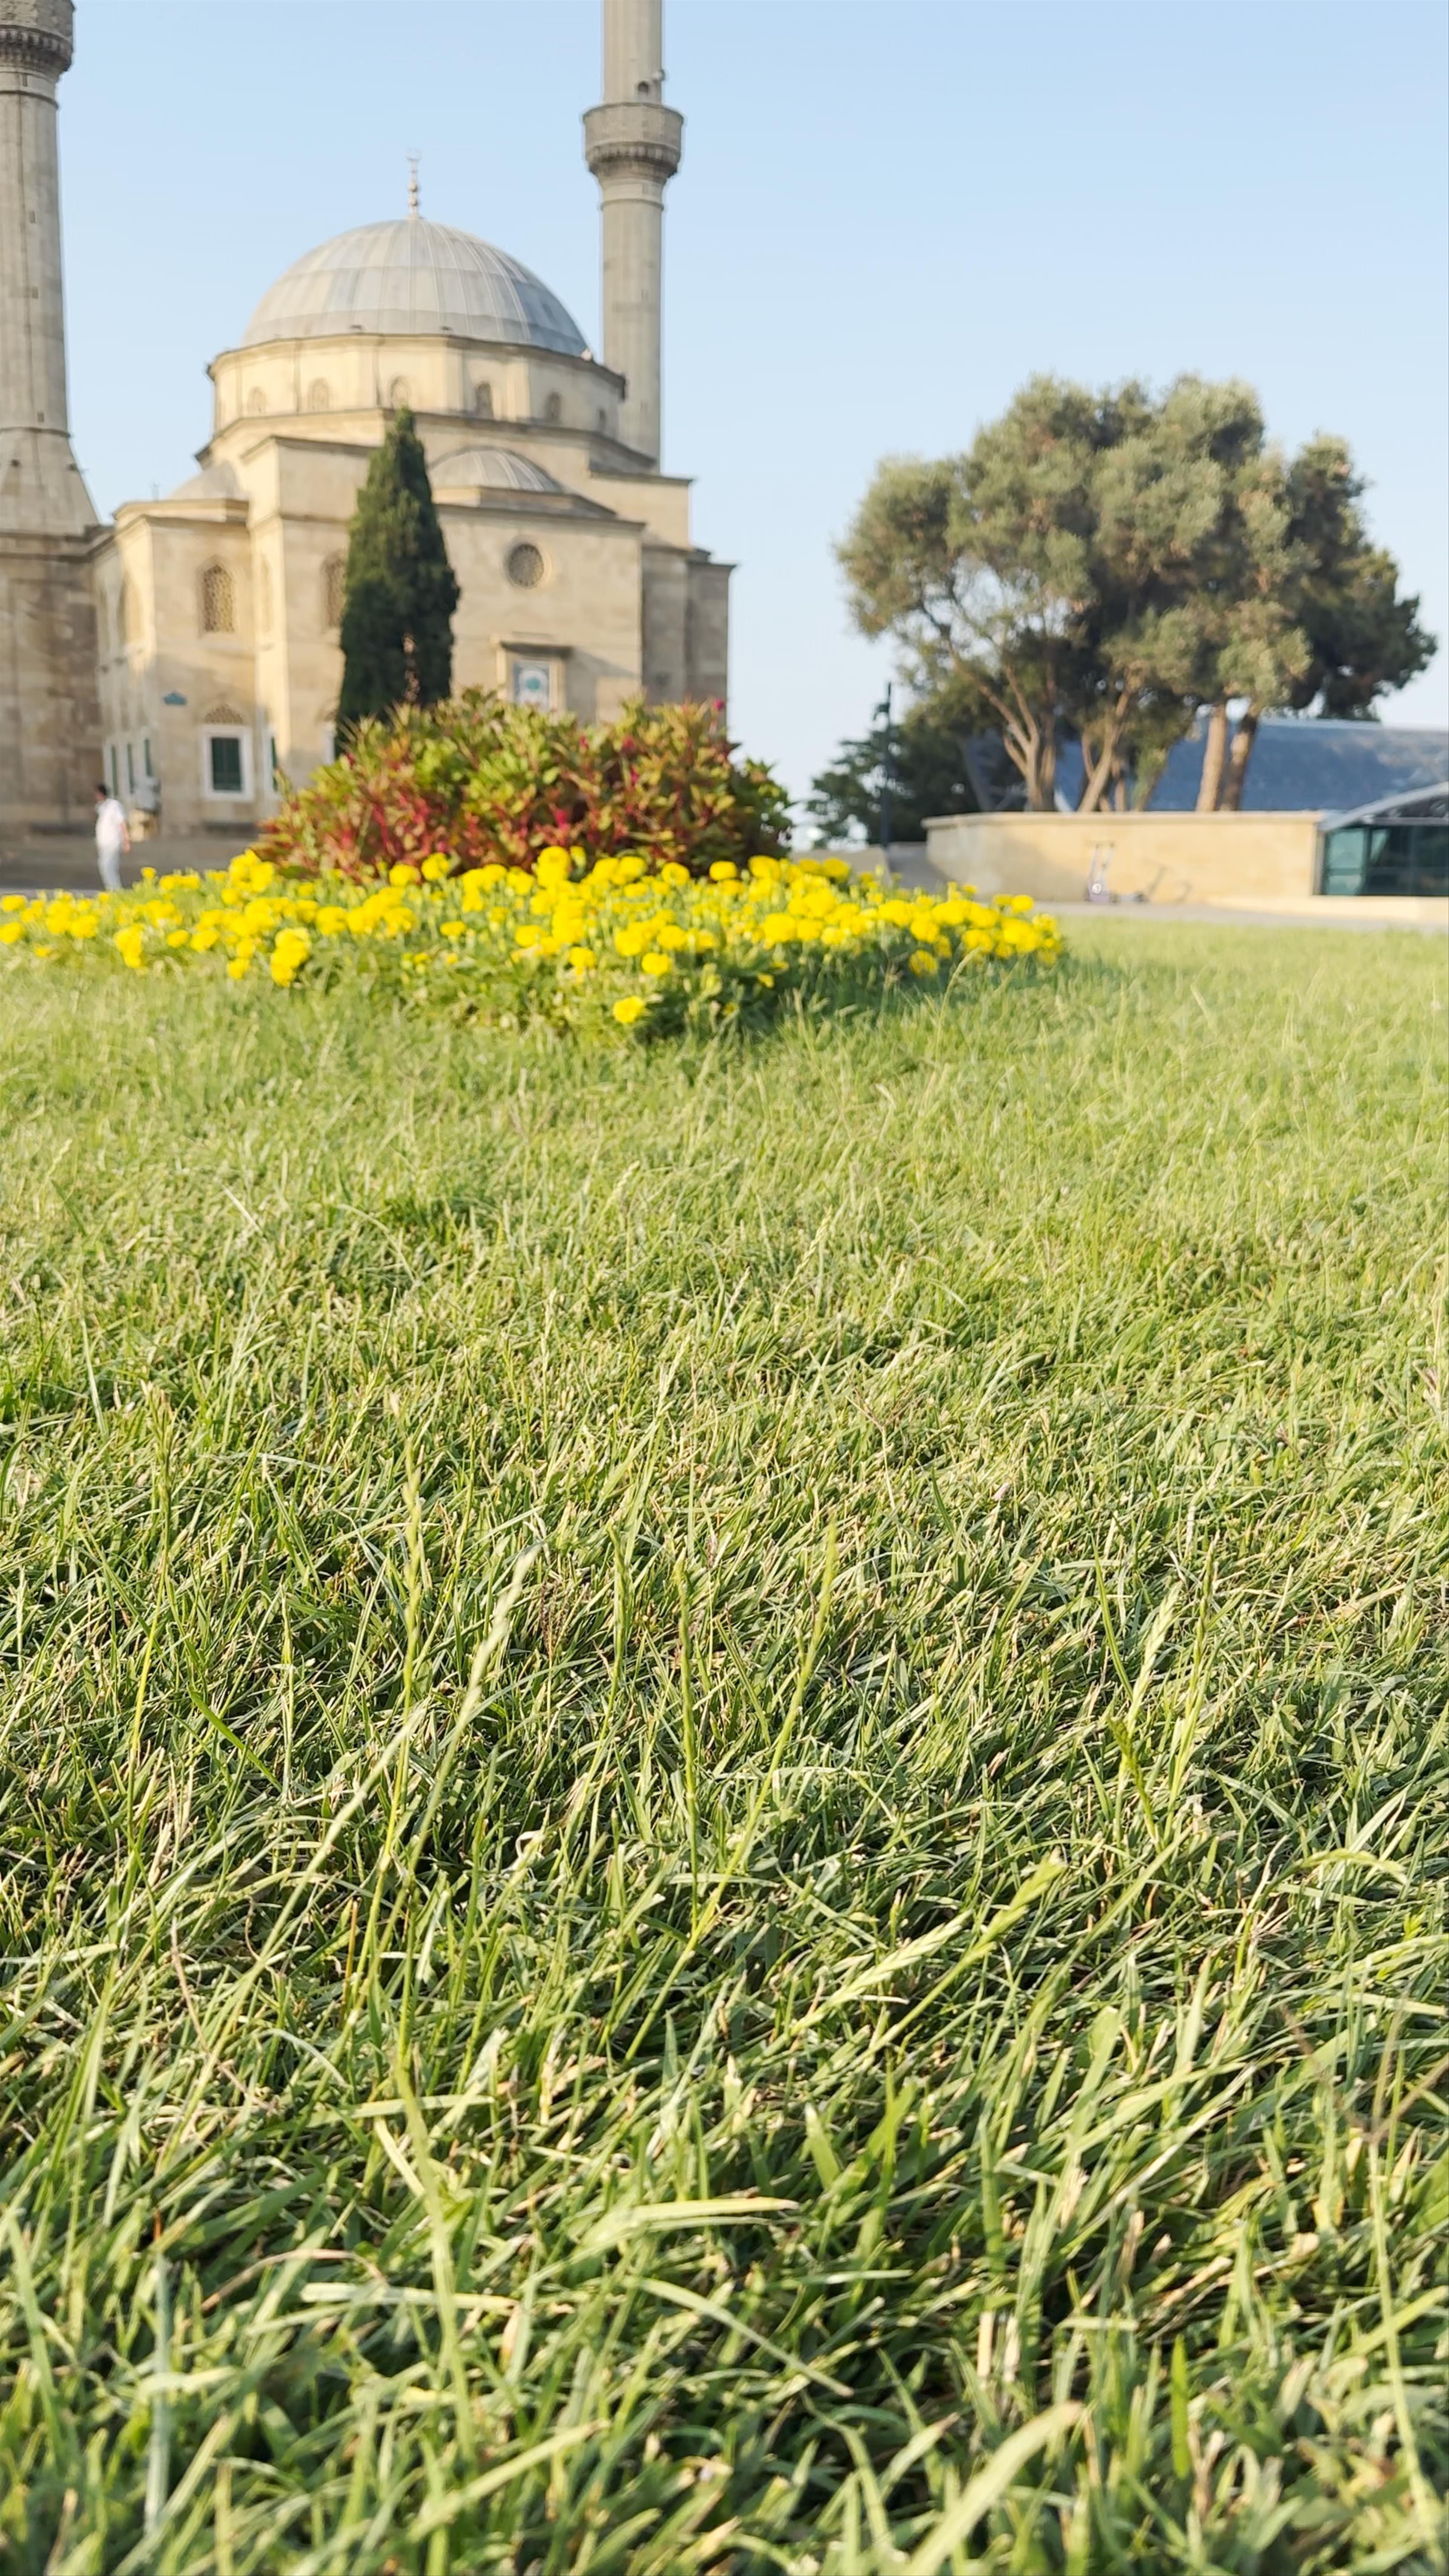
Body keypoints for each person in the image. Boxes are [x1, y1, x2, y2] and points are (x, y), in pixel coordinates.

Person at [94, 781, 129, 892]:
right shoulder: (101, 807)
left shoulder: (114, 805)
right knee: (104, 866)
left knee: (109, 866)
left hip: (113, 842)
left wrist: (126, 841)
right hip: (104, 844)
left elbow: (122, 823)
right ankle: (110, 888)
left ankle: (116, 890)